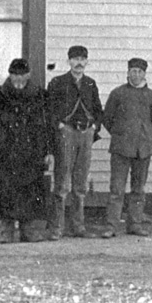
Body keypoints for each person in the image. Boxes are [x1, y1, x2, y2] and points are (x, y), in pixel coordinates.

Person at [0, 58, 54, 243]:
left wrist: (49, 151)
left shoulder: (41, 96)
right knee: (5, 191)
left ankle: (28, 229)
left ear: (28, 75)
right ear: (9, 75)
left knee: (31, 191)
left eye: (22, 75)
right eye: (15, 74)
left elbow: (48, 127)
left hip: (32, 153)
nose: (19, 79)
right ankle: (7, 229)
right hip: (5, 154)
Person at [47, 45, 103, 240]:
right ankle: (57, 228)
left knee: (80, 184)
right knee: (62, 183)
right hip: (66, 134)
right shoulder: (57, 82)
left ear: (87, 62)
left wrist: (95, 126)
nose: (79, 63)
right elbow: (50, 110)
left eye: (82, 59)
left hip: (86, 133)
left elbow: (98, 109)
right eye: (75, 59)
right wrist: (60, 126)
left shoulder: (90, 84)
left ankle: (78, 226)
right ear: (68, 61)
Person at [101, 58, 152, 238]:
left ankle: (135, 224)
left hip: (143, 149)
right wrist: (122, 134)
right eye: (133, 71)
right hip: (121, 148)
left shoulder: (150, 95)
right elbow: (107, 119)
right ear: (128, 73)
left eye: (139, 71)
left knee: (138, 189)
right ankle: (111, 226)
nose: (136, 74)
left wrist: (144, 136)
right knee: (117, 189)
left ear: (144, 74)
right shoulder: (118, 93)